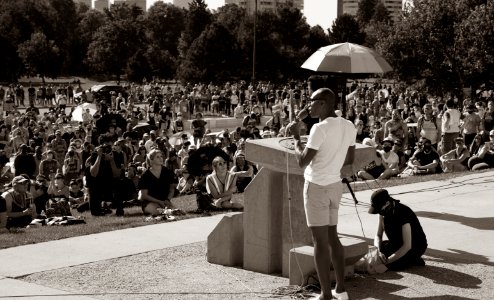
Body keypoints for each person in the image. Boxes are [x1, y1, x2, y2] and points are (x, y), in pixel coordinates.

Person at [286, 88, 356, 300]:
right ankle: (341, 289)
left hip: (316, 186)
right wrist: (330, 161)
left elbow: (301, 161)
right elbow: (349, 160)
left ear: (324, 103)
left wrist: (297, 138)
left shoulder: (319, 128)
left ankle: (326, 293)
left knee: (320, 242)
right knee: (333, 237)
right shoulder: (349, 125)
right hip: (335, 185)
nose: (309, 106)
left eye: (312, 102)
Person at [369, 189, 428, 271]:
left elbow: (407, 245)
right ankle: (408, 260)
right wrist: (378, 251)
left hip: (414, 246)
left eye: (380, 209)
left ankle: (412, 259)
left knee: (391, 266)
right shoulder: (383, 213)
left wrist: (387, 261)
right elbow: (378, 235)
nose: (379, 212)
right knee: (376, 251)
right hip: (397, 243)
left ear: (387, 203)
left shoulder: (403, 212)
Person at [138, 149, 175, 216]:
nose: (161, 158)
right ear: (151, 160)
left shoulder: (167, 172)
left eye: (161, 156)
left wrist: (167, 199)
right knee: (160, 212)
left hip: (164, 201)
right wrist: (158, 201)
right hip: (150, 202)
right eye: (157, 157)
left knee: (174, 213)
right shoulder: (145, 176)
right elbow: (144, 195)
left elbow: (171, 190)